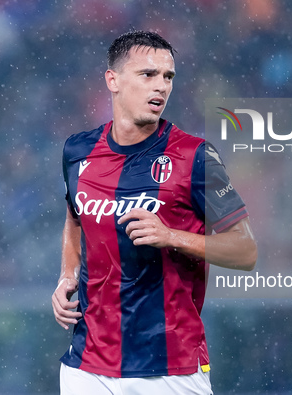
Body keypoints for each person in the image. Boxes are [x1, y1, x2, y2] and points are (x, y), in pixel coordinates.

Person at [51, 30, 257, 395]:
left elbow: (245, 251)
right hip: (87, 365)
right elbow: (75, 218)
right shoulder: (77, 151)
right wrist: (67, 275)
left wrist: (171, 236)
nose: (160, 86)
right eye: (148, 75)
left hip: (168, 367)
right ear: (112, 80)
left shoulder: (194, 157)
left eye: (168, 77)